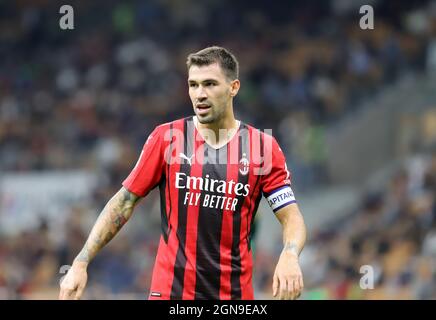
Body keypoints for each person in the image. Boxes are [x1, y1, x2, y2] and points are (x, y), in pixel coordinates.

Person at [59, 46, 306, 300]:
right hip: (171, 293)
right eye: (193, 85)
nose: (200, 94)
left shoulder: (262, 147)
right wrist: (81, 262)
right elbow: (123, 202)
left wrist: (289, 253)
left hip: (232, 296)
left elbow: (291, 216)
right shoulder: (166, 139)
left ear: (233, 88)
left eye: (210, 84)